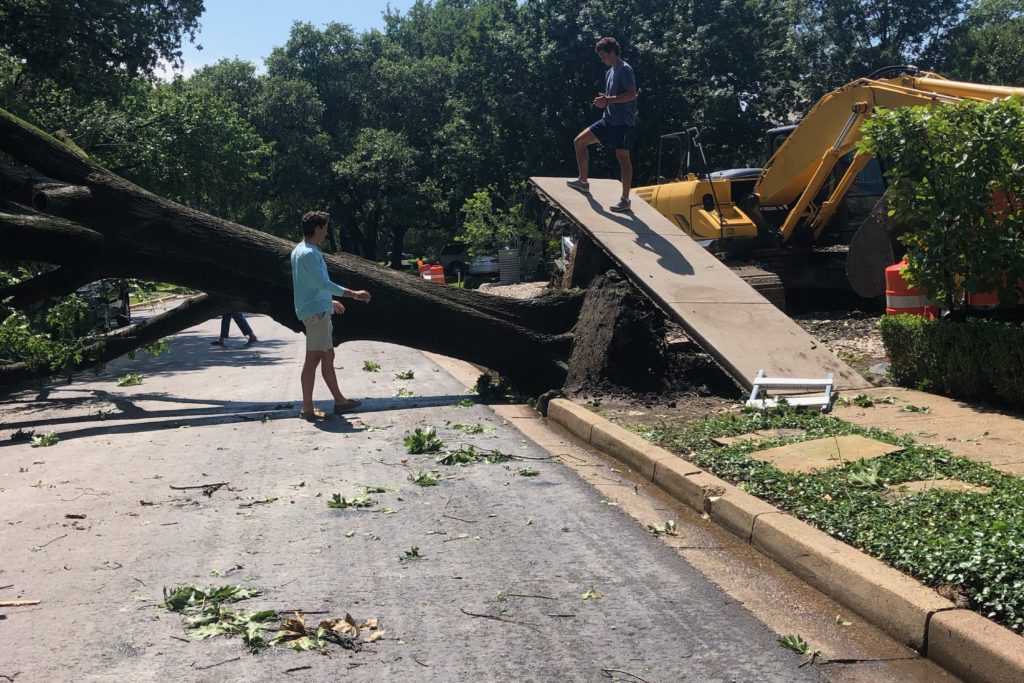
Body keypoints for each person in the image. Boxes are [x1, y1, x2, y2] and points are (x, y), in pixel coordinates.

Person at [291, 210, 372, 421]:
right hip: (316, 313)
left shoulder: (301, 250)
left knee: (327, 355)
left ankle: (340, 401)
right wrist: (353, 294)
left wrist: (329, 301)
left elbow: (311, 285)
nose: (327, 232)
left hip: (317, 308)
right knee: (314, 358)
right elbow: (323, 284)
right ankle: (307, 408)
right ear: (317, 228)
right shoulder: (308, 253)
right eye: (326, 227)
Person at [567, 36, 638, 213]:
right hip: (608, 120)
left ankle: (625, 200)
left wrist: (609, 99)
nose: (602, 59)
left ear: (613, 52)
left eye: (603, 55)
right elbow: (611, 99)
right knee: (579, 142)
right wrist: (604, 102)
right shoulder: (609, 72)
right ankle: (583, 182)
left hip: (623, 123)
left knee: (623, 158)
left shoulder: (625, 70)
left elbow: (631, 95)